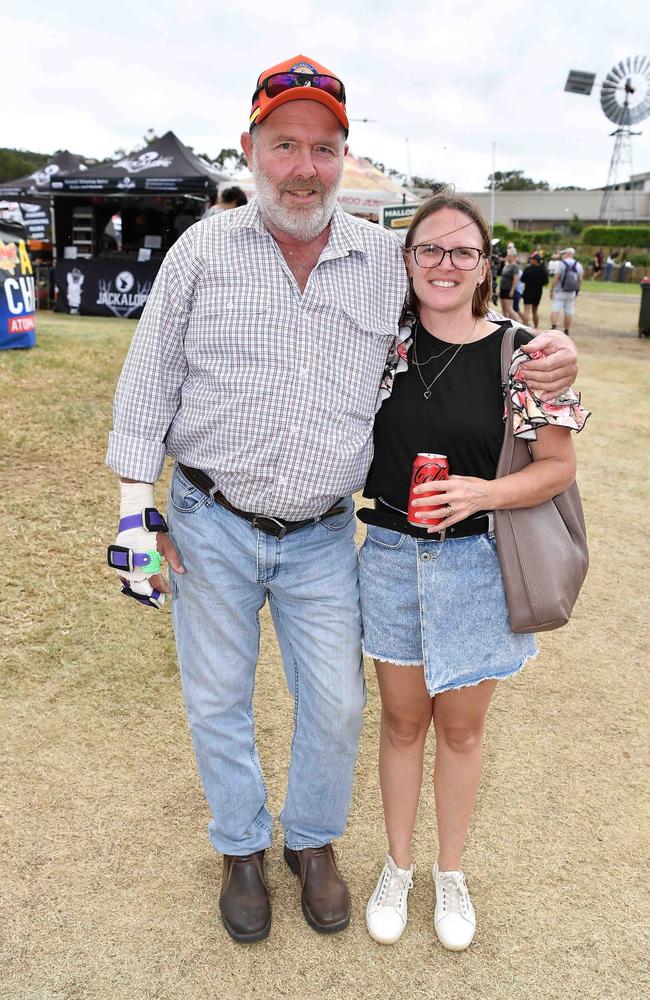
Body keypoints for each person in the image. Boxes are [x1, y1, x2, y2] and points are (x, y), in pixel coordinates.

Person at [106, 54, 579, 945]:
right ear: (251, 148)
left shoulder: (380, 261)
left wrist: (549, 357)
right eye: (284, 144)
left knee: (337, 704)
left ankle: (313, 842)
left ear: (343, 157)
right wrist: (138, 507)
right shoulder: (200, 251)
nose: (303, 167)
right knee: (217, 698)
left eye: (323, 149)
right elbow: (147, 384)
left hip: (325, 532)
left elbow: (460, 308)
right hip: (209, 520)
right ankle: (243, 848)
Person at [357, 191, 588, 951]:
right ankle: (399, 867)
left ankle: (449, 875)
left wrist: (482, 492)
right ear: (408, 260)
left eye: (462, 251)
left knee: (460, 731)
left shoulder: (522, 355)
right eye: (430, 249)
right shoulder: (379, 345)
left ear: (485, 266)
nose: (445, 264)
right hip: (389, 558)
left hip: (477, 565)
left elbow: (555, 468)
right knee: (399, 722)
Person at [550, 247, 583, 336]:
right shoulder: (578, 265)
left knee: (556, 309)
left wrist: (552, 289)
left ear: (568, 254)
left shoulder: (561, 264)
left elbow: (556, 277)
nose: (563, 255)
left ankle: (554, 327)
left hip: (560, 291)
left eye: (564, 254)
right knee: (569, 311)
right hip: (571, 292)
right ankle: (566, 330)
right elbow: (580, 279)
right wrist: (577, 290)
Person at [521, 251, 548, 328]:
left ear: (535, 260)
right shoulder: (543, 270)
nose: (530, 260)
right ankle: (536, 327)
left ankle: (524, 327)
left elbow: (522, 280)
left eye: (532, 259)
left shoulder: (528, 269)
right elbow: (545, 282)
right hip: (538, 292)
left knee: (526, 310)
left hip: (528, 291)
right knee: (535, 311)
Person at [498, 248, 520, 319]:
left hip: (508, 289)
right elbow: (502, 278)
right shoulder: (506, 265)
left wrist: (512, 290)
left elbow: (515, 279)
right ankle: (505, 325)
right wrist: (499, 289)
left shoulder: (515, 266)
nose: (507, 257)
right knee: (504, 309)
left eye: (509, 256)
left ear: (513, 256)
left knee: (509, 309)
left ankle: (518, 325)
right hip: (503, 289)